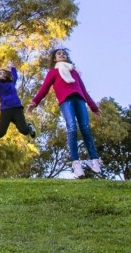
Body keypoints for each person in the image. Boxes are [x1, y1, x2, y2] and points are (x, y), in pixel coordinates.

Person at [29, 48, 102, 178]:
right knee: (72, 128)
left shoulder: (74, 72)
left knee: (85, 128)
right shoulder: (53, 73)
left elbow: (84, 91)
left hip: (79, 100)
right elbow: (44, 88)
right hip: (66, 101)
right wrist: (34, 102)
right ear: (54, 59)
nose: (62, 54)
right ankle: (76, 163)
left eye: (64, 53)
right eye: (59, 53)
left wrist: (94, 107)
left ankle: (94, 160)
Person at [0, 57, 36, 140]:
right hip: (6, 110)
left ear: (6, 75)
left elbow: (15, 76)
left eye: (3, 73)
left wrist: (13, 67)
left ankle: (30, 127)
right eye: (0, 73)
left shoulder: (11, 82)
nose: (2, 74)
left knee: (24, 130)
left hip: (17, 109)